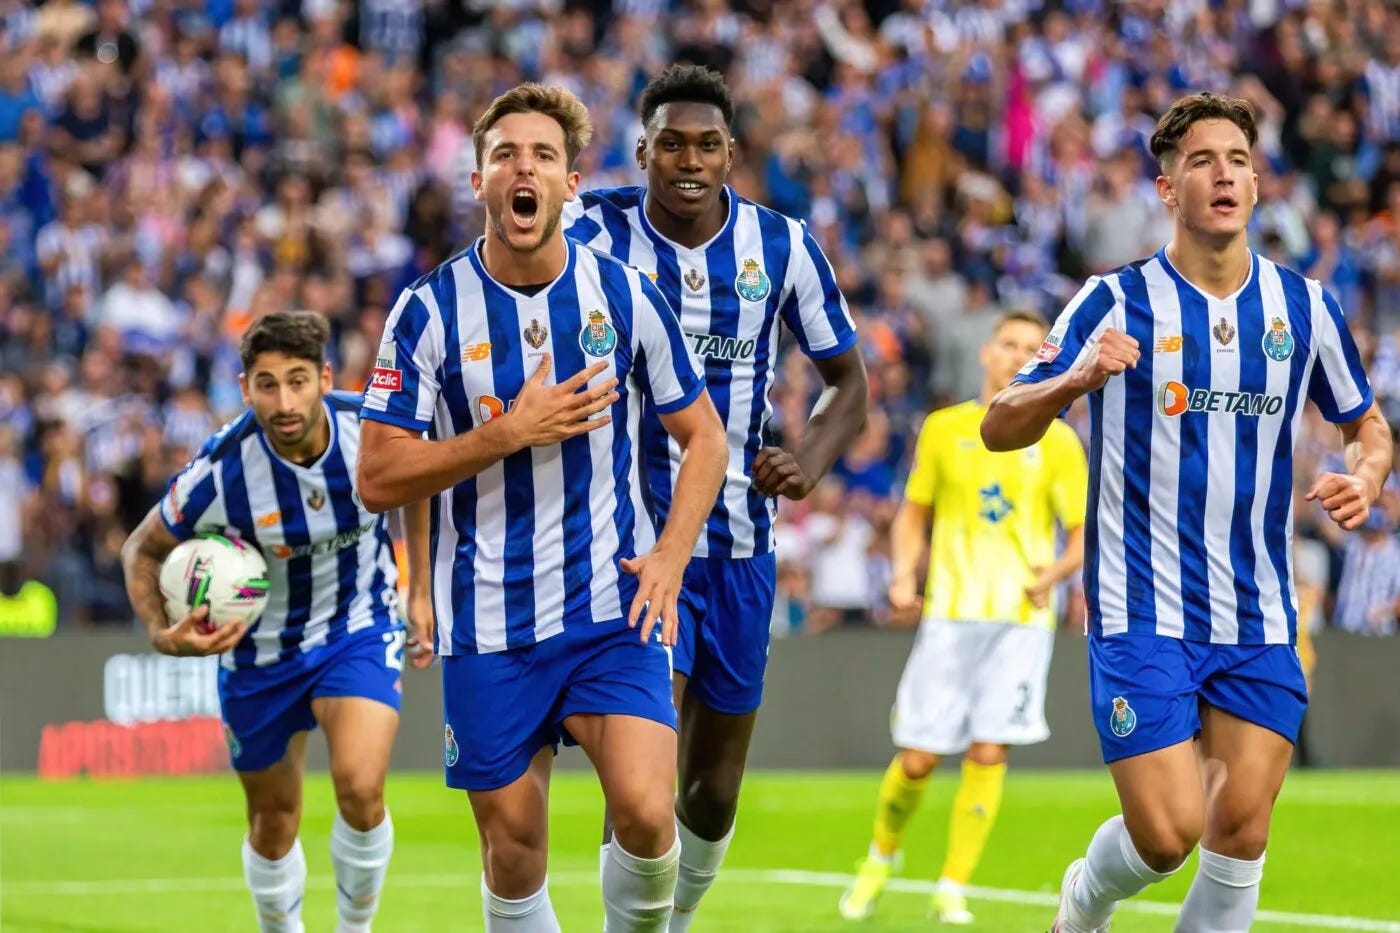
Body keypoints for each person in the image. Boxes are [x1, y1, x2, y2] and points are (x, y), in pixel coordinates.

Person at [980, 92, 1393, 932]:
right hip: (1143, 608)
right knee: (1169, 833)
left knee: (1240, 830)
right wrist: (1074, 380)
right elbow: (999, 424)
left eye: (1239, 160)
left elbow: (1367, 424)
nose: (1224, 175)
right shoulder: (1113, 301)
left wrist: (1371, 472)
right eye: (1202, 161)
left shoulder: (1302, 307)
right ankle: (1083, 900)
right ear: (1168, 190)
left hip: (1259, 609)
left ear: (1257, 179)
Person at [356, 83, 728, 933]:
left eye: (545, 155)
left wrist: (670, 556)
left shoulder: (625, 295)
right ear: (480, 181)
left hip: (611, 602)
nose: (524, 169)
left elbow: (704, 438)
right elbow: (377, 476)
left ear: (570, 184)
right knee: (515, 852)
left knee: (645, 811)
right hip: (488, 622)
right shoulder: (427, 311)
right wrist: (505, 434)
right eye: (505, 155)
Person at [564, 64, 867, 929]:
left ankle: (672, 917)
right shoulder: (592, 232)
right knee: (646, 786)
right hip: (634, 552)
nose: (688, 160)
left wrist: (807, 457)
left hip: (740, 551)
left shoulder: (782, 246)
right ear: (642, 150)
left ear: (731, 153)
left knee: (712, 791)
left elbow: (850, 384)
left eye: (706, 144)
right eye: (670, 143)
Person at [121, 310, 434, 933]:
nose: (284, 401)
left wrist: (419, 589)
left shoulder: (368, 432)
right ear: (245, 388)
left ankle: (354, 928)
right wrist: (161, 631)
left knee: (360, 787)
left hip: (357, 627)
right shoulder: (223, 471)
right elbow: (141, 549)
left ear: (324, 377)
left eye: (297, 380)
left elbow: (415, 480)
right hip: (259, 652)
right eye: (267, 384)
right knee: (272, 823)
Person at [839, 310, 1087, 925]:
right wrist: (901, 574)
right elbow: (913, 513)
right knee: (919, 757)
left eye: (1032, 348)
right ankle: (881, 855)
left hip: (1021, 621)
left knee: (987, 752)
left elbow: (1085, 533)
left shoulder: (1058, 441)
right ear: (986, 351)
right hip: (950, 614)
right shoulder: (945, 429)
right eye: (1009, 343)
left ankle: (953, 883)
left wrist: (1054, 576)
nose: (1017, 355)